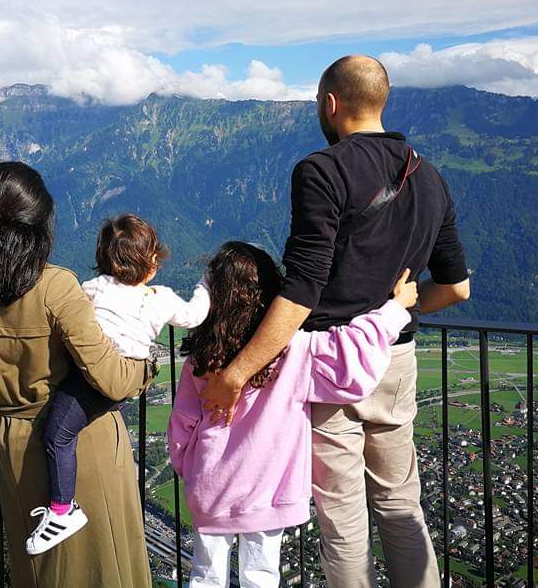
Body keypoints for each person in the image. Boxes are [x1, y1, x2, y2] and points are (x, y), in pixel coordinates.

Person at [201, 56, 471, 587]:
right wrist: (397, 312)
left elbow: (302, 289)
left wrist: (235, 374)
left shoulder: (321, 170)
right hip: (394, 357)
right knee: (400, 503)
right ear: (381, 102)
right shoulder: (431, 175)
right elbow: (457, 287)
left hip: (329, 366)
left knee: (344, 519)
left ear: (330, 104)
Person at [0, 162, 155, 588]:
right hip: (83, 444)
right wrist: (146, 366)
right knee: (106, 568)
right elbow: (113, 379)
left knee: (40, 575)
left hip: (15, 451)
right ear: (38, 225)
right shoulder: (56, 287)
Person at [169, 241, 418, 588]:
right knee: (261, 576)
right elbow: (352, 350)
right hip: (269, 489)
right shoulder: (295, 352)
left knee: (206, 576)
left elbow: (182, 426)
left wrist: (189, 469)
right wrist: (396, 307)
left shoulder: (202, 359)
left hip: (211, 487)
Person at [27, 213, 210, 554]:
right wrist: (206, 284)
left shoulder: (93, 289)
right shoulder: (161, 297)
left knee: (56, 436)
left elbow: (66, 321)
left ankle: (62, 508)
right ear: (151, 263)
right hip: (131, 377)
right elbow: (194, 316)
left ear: (102, 258)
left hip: (91, 379)